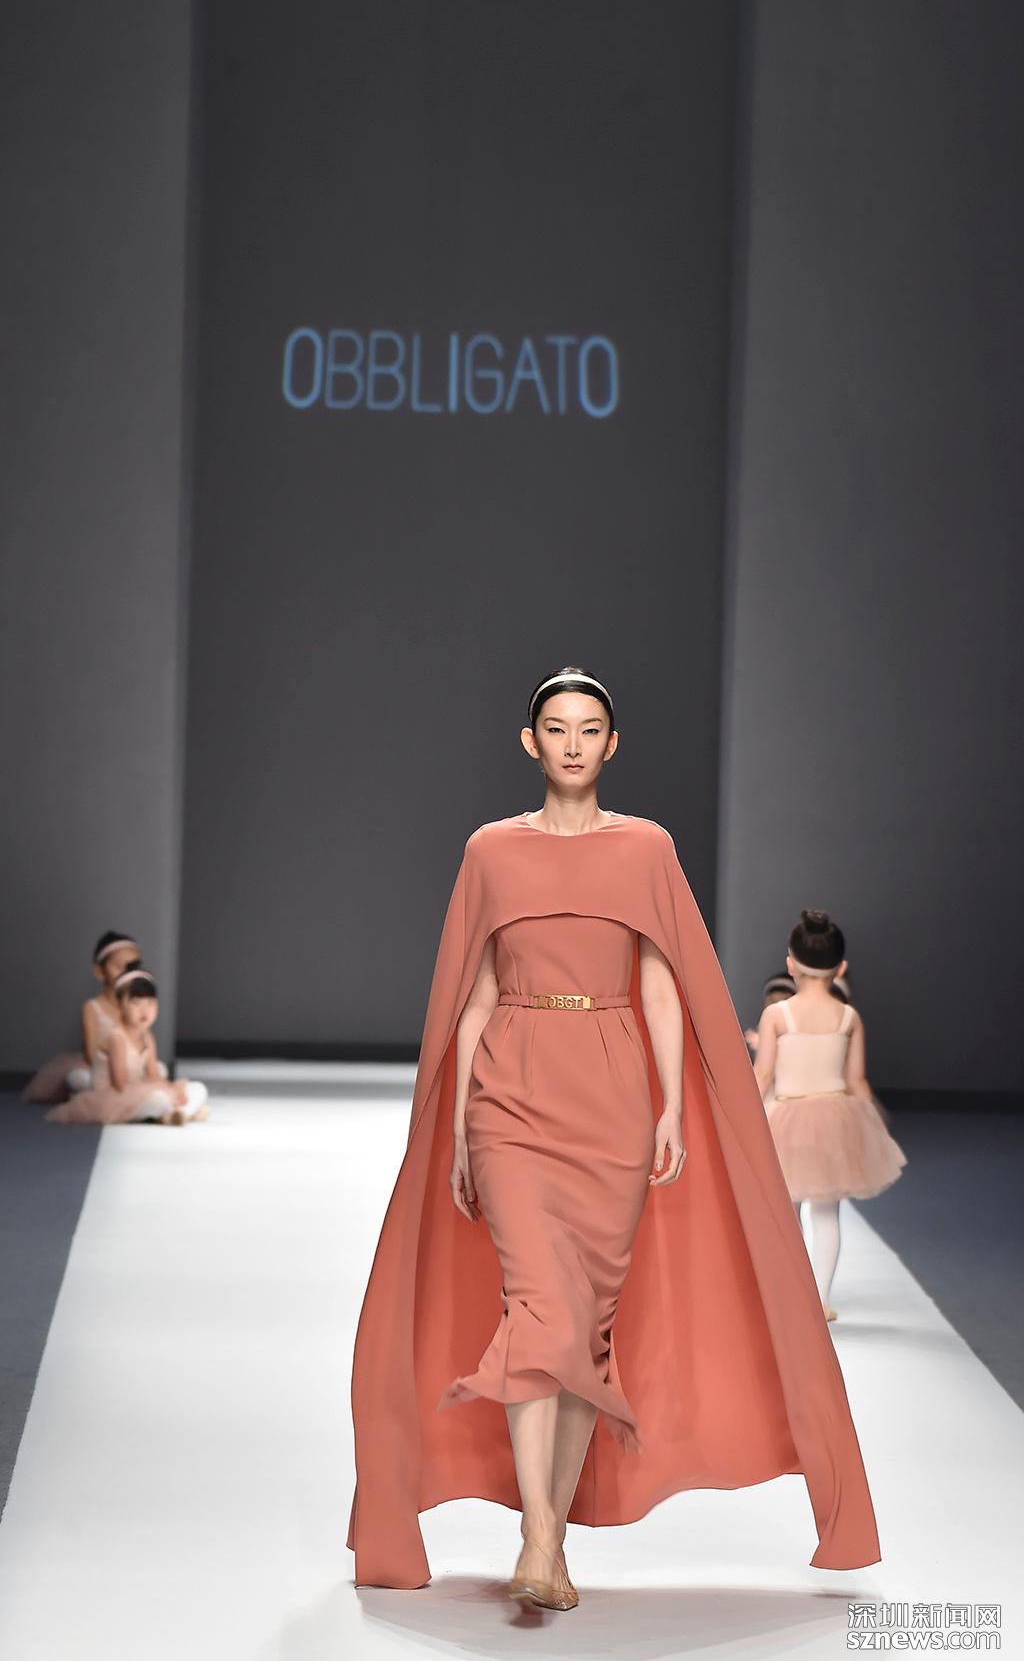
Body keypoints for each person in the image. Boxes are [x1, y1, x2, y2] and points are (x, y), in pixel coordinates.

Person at [347, 666, 881, 1605]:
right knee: (536, 1308)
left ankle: (549, 1543)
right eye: (556, 728)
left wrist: (670, 1106)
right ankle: (537, 1538)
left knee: (587, 1328)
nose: (573, 744)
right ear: (531, 742)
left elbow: (664, 986)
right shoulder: (490, 851)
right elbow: (474, 995)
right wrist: (461, 1133)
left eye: (589, 728)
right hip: (511, 1087)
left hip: (614, 1095)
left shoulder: (646, 849)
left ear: (612, 743)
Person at [753, 911, 907, 1322]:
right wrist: (873, 1122)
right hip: (834, 1118)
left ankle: (792, 1293)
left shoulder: (777, 1015)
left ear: (791, 964)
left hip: (786, 1116)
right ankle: (820, 1299)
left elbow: (763, 1074)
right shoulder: (848, 1017)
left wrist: (742, 1114)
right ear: (841, 968)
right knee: (827, 1214)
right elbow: (856, 1080)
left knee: (786, 1212)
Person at [45, 967, 209, 1125]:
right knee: (158, 1100)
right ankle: (181, 1112)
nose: (144, 1010)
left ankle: (180, 1113)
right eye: (136, 1002)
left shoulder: (147, 1036)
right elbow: (120, 1085)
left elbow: (153, 1074)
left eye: (150, 1003)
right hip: (115, 1097)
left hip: (139, 1089)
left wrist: (173, 1088)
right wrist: (162, 1090)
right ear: (120, 1005)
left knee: (197, 1088)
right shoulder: (116, 1037)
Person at [21, 931, 147, 1104]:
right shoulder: (92, 1007)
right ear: (99, 971)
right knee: (80, 1078)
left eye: (132, 967)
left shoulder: (136, 1007)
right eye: (119, 966)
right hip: (100, 1066)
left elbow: (142, 1042)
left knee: (159, 1070)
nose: (126, 973)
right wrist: (114, 1065)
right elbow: (91, 1052)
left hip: (129, 1064)